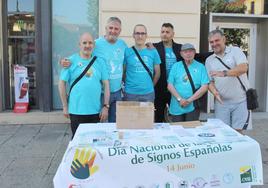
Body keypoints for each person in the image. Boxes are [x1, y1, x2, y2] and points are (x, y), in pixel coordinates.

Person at [61, 17, 127, 122]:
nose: (113, 31)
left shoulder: (123, 44)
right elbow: (81, 54)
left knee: (115, 125)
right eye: (110, 27)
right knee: (101, 126)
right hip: (101, 93)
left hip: (117, 92)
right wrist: (63, 61)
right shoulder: (95, 43)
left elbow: (127, 62)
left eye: (116, 29)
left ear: (120, 31)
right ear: (106, 28)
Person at [153, 23, 212, 122]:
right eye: (162, 32)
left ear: (173, 34)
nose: (164, 34)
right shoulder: (155, 47)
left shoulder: (179, 48)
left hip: (176, 88)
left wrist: (214, 53)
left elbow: (196, 56)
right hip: (161, 87)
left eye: (167, 32)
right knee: (159, 118)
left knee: (176, 117)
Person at [58, 32, 110, 137]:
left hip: (95, 111)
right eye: (84, 43)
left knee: (94, 142)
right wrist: (65, 106)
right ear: (79, 45)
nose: (87, 45)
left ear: (94, 45)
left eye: (90, 43)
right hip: (76, 111)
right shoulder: (70, 61)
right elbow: (61, 83)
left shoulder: (99, 62)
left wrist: (105, 106)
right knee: (78, 142)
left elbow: (106, 84)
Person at [205, 29, 251, 133]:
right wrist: (214, 92)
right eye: (211, 42)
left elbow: (243, 68)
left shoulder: (235, 51)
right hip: (221, 103)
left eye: (217, 40)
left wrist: (224, 73)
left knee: (238, 132)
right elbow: (210, 82)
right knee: (222, 132)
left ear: (224, 39)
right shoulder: (209, 60)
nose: (214, 44)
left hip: (241, 101)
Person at [167, 43, 209, 122]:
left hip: (193, 106)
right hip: (177, 106)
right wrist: (180, 99)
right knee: (177, 130)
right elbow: (170, 85)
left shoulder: (201, 67)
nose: (188, 53)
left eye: (190, 51)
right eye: (185, 52)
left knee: (191, 131)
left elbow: (205, 87)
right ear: (181, 54)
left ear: (194, 52)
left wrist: (189, 100)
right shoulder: (176, 66)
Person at [123, 24, 161, 102]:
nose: (140, 36)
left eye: (142, 33)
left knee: (147, 114)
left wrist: (151, 86)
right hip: (130, 93)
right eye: (137, 33)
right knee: (130, 114)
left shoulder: (153, 51)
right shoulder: (127, 51)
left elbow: (157, 73)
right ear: (133, 35)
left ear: (146, 35)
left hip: (148, 94)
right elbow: (123, 72)